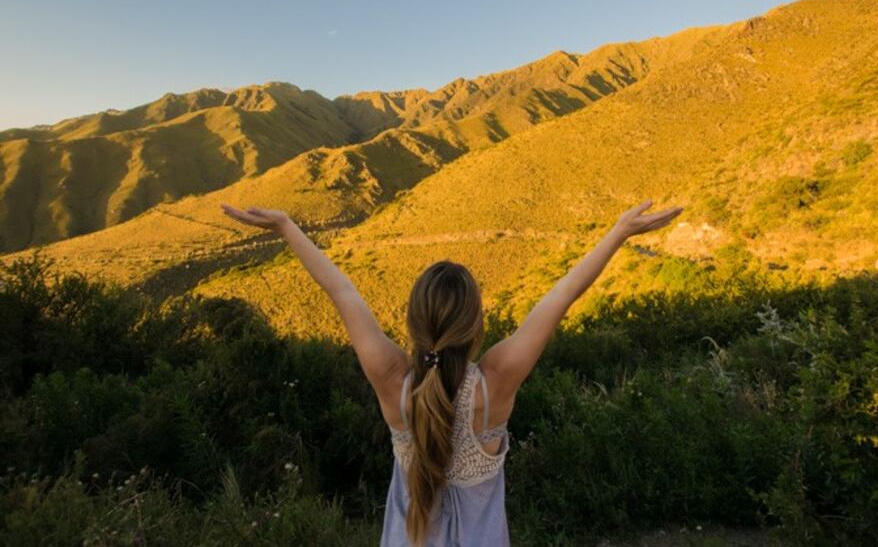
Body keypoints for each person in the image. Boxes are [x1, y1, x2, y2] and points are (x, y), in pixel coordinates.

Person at [220, 199, 683, 546]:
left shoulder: (393, 381)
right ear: (478, 324)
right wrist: (618, 232)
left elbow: (342, 290)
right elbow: (560, 297)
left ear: (412, 323)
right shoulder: (497, 380)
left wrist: (286, 226)